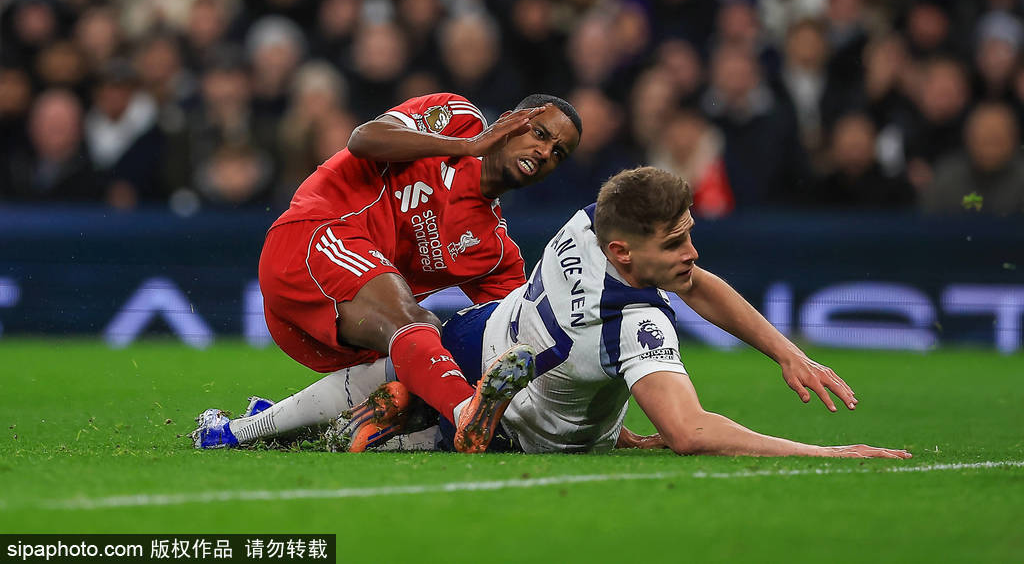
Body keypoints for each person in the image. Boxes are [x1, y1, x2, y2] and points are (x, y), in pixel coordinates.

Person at [222, 167, 912, 459]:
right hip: (526, 429)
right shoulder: (635, 325)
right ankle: (405, 427)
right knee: (414, 441)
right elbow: (689, 430)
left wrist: (785, 351)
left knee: (399, 360)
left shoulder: (587, 223)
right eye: (675, 242)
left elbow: (697, 284)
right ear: (625, 251)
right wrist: (823, 452)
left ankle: (246, 428)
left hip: (481, 335)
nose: (691, 253)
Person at [191, 92, 582, 453]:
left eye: (558, 153)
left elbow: (520, 335)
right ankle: (466, 414)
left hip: (335, 331)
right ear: (510, 121)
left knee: (432, 363)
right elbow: (364, 139)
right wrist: (469, 146)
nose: (544, 152)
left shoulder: (495, 252)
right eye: (539, 133)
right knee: (417, 323)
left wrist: (593, 410)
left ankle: (250, 427)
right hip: (310, 240)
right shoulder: (459, 119)